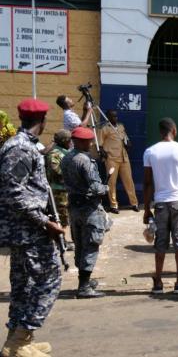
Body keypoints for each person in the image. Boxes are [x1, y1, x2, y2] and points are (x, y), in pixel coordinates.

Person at [0, 98, 64, 357]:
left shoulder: (21, 145)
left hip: (25, 228)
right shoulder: (21, 149)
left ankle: (16, 340)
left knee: (24, 284)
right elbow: (12, 192)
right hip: (27, 229)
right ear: (43, 121)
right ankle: (20, 339)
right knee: (48, 279)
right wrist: (44, 221)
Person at [143, 118, 178, 294]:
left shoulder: (150, 151)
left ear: (160, 131)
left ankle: (158, 282)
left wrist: (146, 209)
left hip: (160, 204)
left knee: (160, 243)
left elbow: (148, 183)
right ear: (173, 129)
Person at [61, 127, 110, 299]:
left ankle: (84, 281)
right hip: (89, 208)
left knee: (80, 244)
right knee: (91, 244)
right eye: (88, 141)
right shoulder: (85, 161)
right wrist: (106, 188)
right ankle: (84, 287)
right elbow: (96, 187)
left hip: (74, 207)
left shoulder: (66, 158)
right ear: (80, 141)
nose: (90, 144)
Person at [98, 109, 139, 214]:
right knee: (112, 183)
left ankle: (134, 203)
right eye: (112, 116)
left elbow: (126, 138)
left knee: (129, 181)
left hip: (124, 158)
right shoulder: (104, 129)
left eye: (116, 116)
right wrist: (104, 154)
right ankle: (113, 205)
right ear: (108, 117)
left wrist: (128, 143)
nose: (115, 118)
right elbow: (99, 145)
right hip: (112, 159)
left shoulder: (121, 126)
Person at [46, 129, 74, 250]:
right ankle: (61, 243)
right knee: (61, 217)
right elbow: (55, 171)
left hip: (65, 189)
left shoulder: (65, 152)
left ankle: (61, 240)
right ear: (64, 141)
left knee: (65, 216)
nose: (71, 143)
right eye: (69, 140)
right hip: (59, 191)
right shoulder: (55, 154)